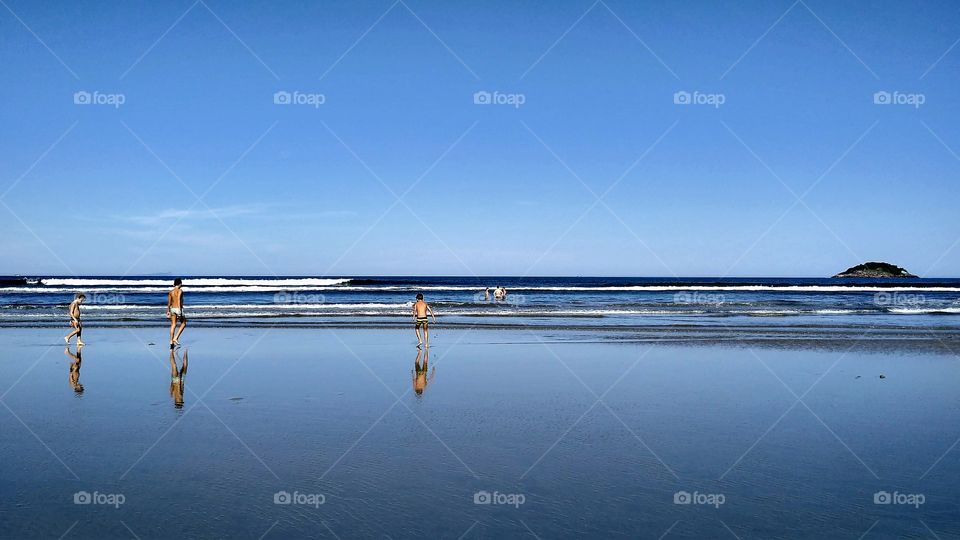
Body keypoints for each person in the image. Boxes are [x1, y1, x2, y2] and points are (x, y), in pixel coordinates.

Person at [167, 278, 186, 349]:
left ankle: (171, 342)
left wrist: (168, 311)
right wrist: (179, 311)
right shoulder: (180, 290)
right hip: (178, 308)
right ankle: (176, 338)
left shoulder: (170, 292)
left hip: (172, 309)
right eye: (181, 283)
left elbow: (169, 303)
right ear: (180, 283)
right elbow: (178, 299)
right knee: (184, 323)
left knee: (173, 324)